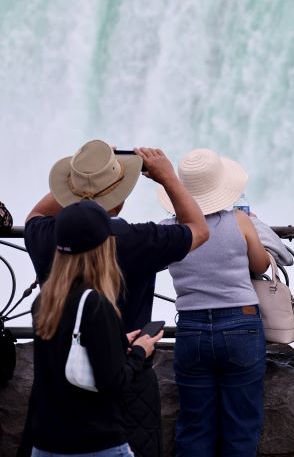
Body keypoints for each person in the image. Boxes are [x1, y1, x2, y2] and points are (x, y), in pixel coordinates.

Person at [21, 140, 210, 457]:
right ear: (119, 199)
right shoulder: (134, 239)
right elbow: (198, 229)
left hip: (52, 403)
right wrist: (167, 177)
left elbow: (36, 214)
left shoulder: (48, 237)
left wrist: (84, 175)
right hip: (122, 402)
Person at [29, 200, 164, 456]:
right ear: (103, 248)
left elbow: (67, 350)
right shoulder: (95, 304)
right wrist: (139, 351)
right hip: (96, 443)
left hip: (47, 443)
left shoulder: (43, 302)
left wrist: (115, 340)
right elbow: (114, 383)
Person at [159, 148, 269, 456]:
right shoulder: (240, 221)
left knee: (195, 427)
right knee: (241, 427)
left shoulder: (169, 231)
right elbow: (260, 266)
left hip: (191, 328)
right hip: (241, 326)